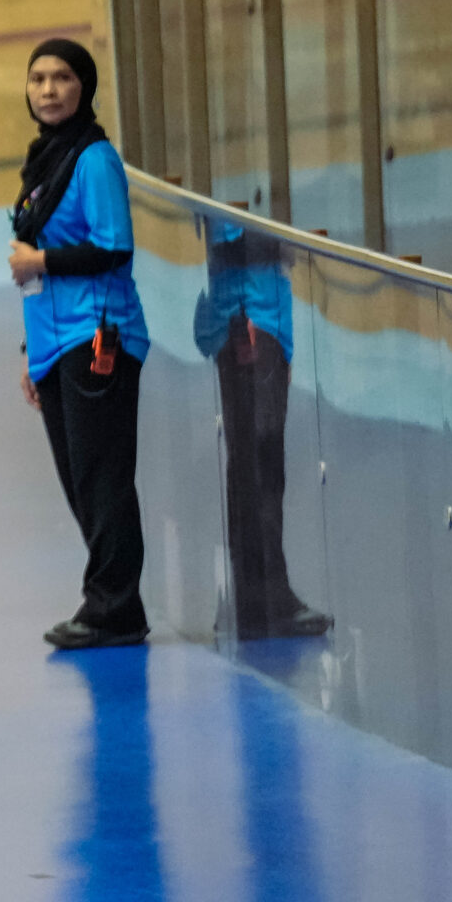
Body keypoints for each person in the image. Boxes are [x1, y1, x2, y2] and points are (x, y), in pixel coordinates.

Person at [8, 38, 153, 650]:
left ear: (83, 88)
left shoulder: (93, 158)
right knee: (80, 480)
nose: (48, 89)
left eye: (62, 78)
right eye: (38, 79)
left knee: (102, 478)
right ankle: (109, 602)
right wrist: (29, 353)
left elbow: (115, 245)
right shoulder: (46, 160)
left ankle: (114, 607)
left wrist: (41, 257)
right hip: (55, 339)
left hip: (97, 336)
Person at [192, 220, 330, 640]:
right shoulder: (236, 185)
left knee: (259, 464)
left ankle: (256, 593)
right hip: (250, 320)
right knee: (258, 466)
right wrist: (290, 237)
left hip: (262, 320)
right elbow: (229, 238)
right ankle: (264, 596)